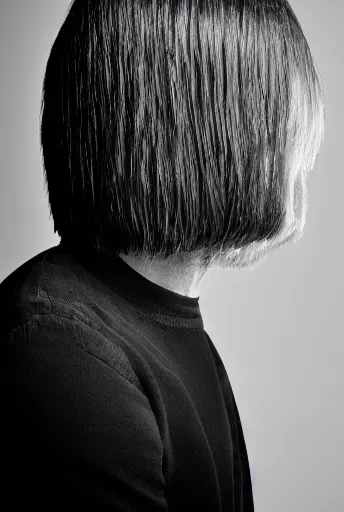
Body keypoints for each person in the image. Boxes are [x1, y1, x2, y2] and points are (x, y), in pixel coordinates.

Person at [0, 0, 324, 509]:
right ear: (207, 132)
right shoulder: (63, 353)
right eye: (284, 123)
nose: (300, 154)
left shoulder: (168, 332)